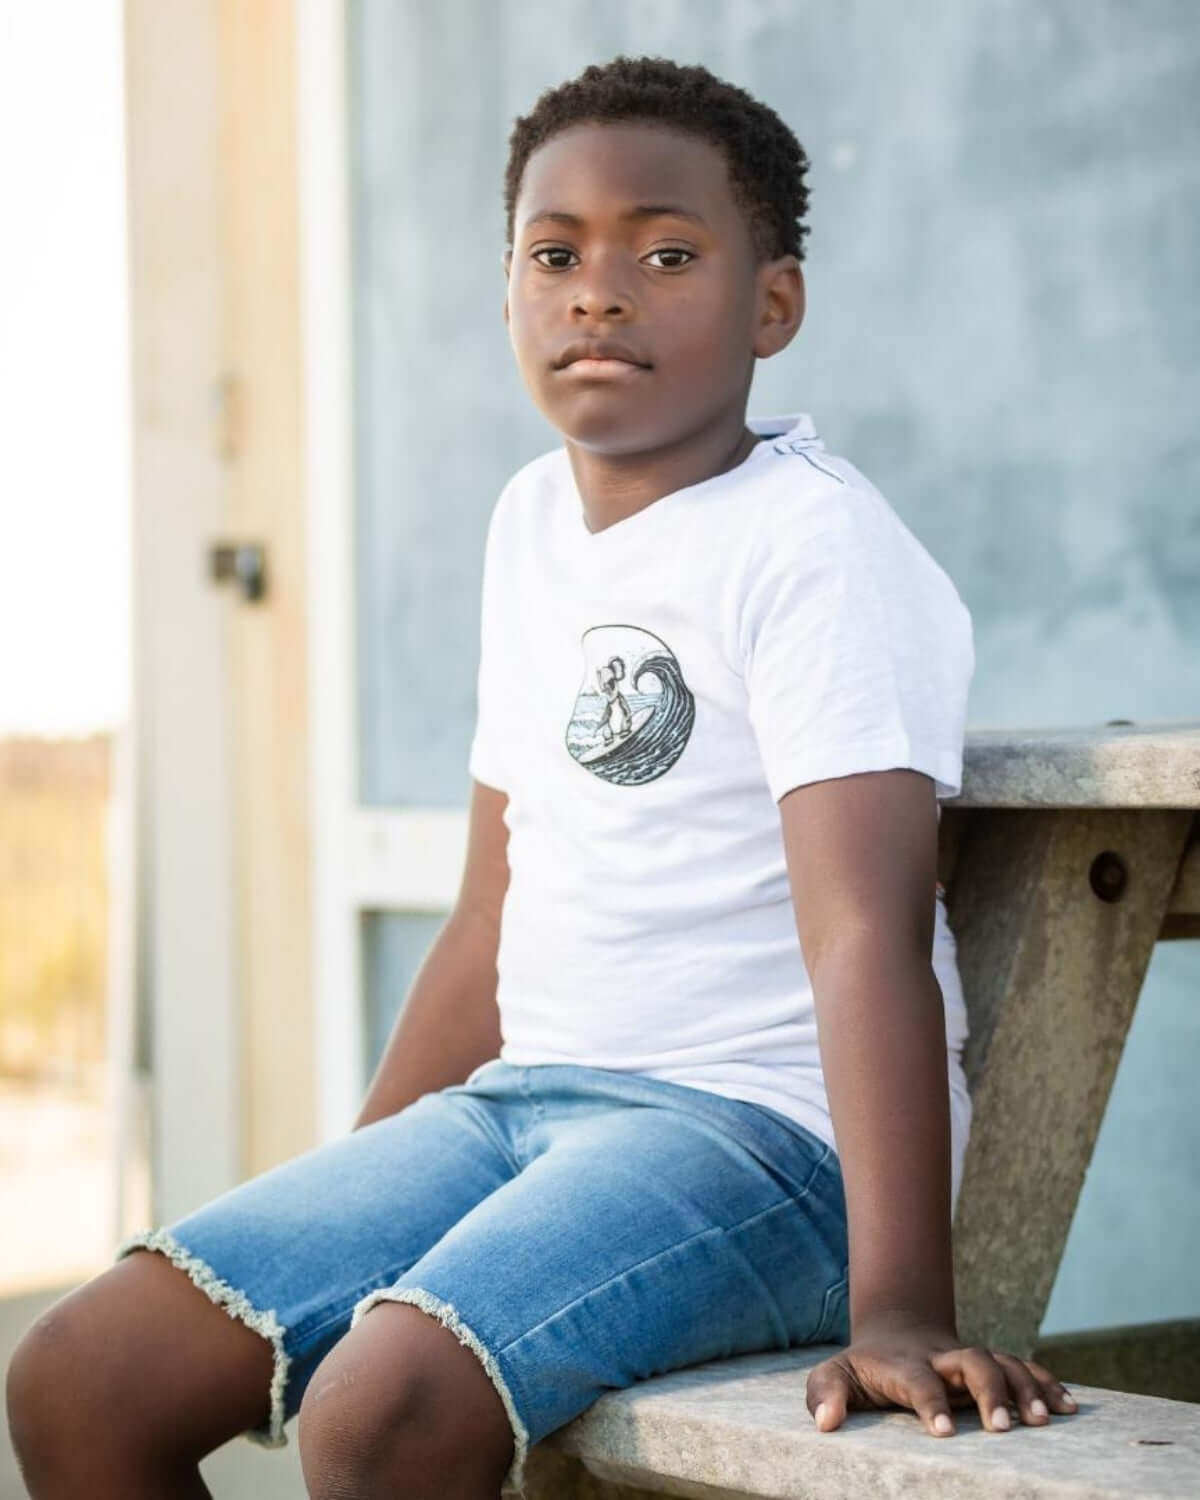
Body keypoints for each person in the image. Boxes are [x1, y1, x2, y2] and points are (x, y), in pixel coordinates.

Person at [6, 54, 1077, 1500]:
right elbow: (488, 916)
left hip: (760, 1146)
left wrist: (898, 1306)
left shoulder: (813, 545)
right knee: (79, 1379)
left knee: (374, 1416)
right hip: (518, 1109)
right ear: (508, 293)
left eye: (667, 254)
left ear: (773, 304)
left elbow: (863, 933)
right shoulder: (528, 528)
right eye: (555, 255)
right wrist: (365, 1193)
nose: (599, 294)